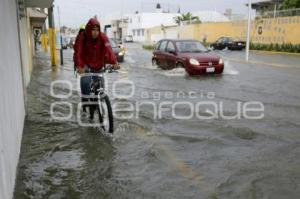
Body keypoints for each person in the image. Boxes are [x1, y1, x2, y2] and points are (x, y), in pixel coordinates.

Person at [73, 18, 120, 119]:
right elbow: (79, 52)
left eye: (97, 30)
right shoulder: (83, 37)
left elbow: (109, 49)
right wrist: (80, 66)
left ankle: (99, 103)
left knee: (100, 85)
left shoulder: (103, 37)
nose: (95, 32)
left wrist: (114, 62)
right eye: (93, 30)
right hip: (86, 64)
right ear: (89, 29)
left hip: (98, 64)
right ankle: (85, 104)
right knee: (85, 82)